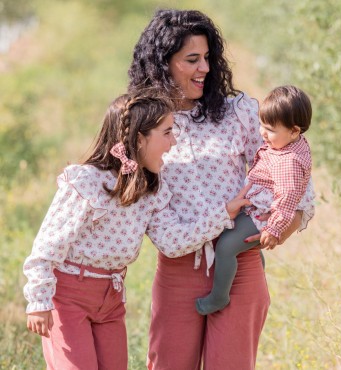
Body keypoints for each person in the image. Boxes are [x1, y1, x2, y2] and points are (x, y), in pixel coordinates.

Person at [128, 9, 315, 370]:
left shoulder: (239, 112)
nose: (205, 69)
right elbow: (158, 225)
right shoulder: (146, 126)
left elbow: (297, 187)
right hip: (178, 272)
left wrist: (270, 234)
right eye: (192, 60)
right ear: (162, 65)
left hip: (240, 268)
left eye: (208, 58)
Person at [23, 89, 249, 370]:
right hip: (68, 296)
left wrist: (224, 214)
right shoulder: (87, 183)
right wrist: (39, 300)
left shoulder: (151, 191)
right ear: (140, 138)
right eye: (167, 133)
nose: (174, 141)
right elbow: (47, 246)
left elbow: (172, 241)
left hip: (111, 299)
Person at [196, 85, 315, 315]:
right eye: (262, 125)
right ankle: (256, 269)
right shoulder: (289, 143)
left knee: (226, 246)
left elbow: (288, 199)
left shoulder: (288, 162)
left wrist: (274, 228)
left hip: (263, 215)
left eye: (269, 129)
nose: (262, 133)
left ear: (294, 131)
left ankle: (218, 298)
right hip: (257, 205)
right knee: (239, 241)